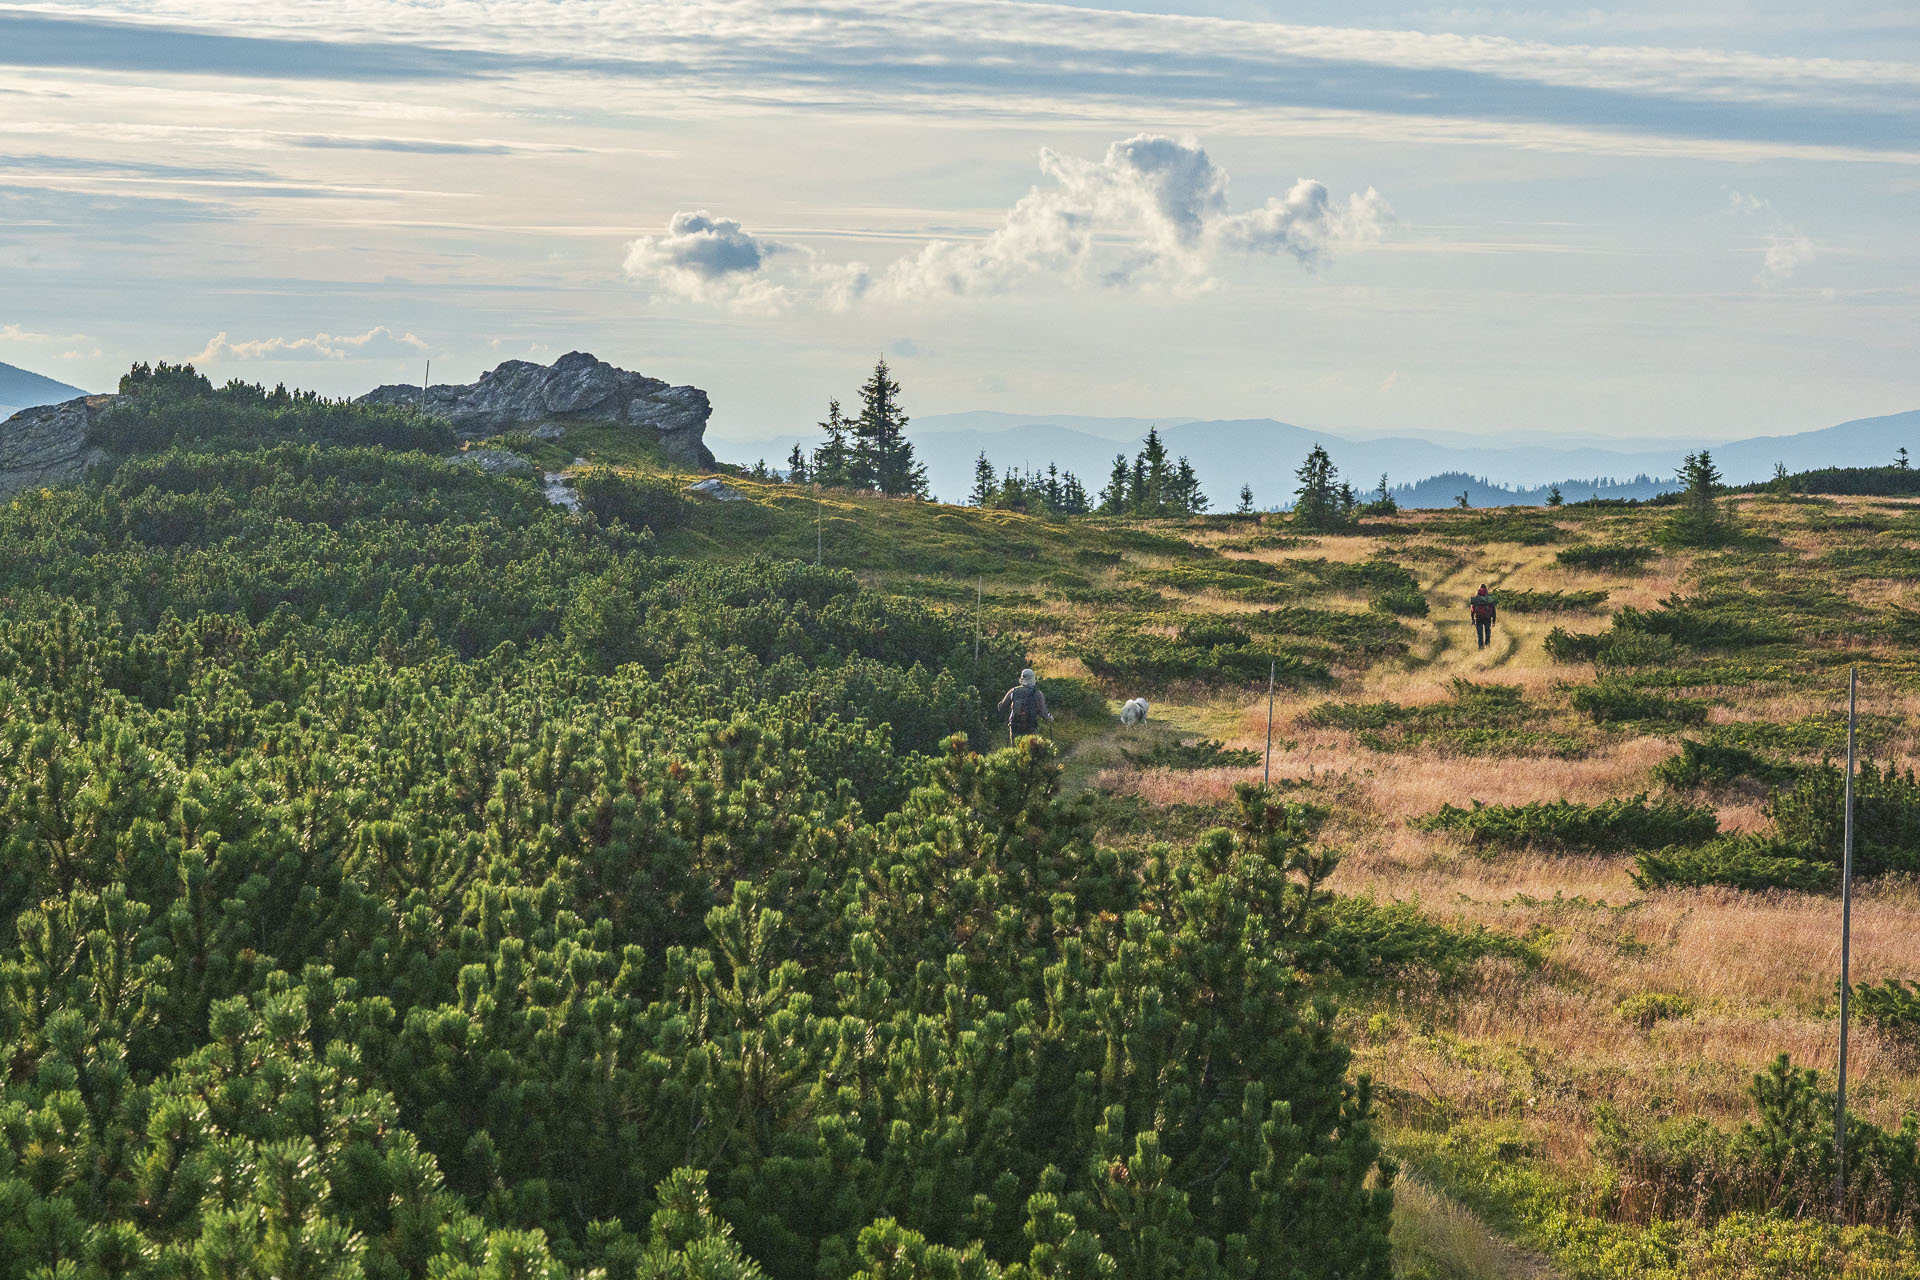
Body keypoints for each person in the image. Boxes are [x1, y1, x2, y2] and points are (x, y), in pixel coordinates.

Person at [998, 668, 1054, 740]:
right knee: (1031, 750)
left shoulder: (1013, 691)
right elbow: (1043, 714)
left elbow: (1001, 707)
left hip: (1015, 727)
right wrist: (1050, 718)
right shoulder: (1038, 694)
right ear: (1033, 679)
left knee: (1015, 750)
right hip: (1031, 728)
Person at [1469, 584, 1496, 649]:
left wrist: (1473, 620)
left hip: (1478, 618)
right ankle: (1487, 645)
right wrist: (1494, 621)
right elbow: (1494, 610)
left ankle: (1480, 647)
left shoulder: (1476, 598)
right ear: (1486, 589)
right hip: (1487, 618)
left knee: (1480, 634)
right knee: (1487, 632)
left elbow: (1472, 610)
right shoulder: (1489, 598)